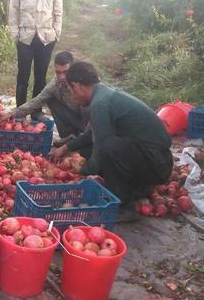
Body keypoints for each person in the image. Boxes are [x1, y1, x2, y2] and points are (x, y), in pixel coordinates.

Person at [51, 62, 173, 207]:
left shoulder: (99, 104)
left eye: (71, 91)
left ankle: (122, 206)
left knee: (108, 147)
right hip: (154, 159)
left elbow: (101, 145)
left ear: (77, 86)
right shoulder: (103, 94)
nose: (72, 97)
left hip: (157, 165)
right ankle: (138, 189)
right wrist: (66, 148)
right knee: (88, 149)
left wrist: (85, 170)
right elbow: (93, 133)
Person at [8, 0, 63, 120]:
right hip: (25, 37)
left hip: (46, 37)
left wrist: (57, 32)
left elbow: (58, 10)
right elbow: (13, 10)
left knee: (40, 76)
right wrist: (15, 35)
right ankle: (19, 112)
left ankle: (37, 111)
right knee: (23, 76)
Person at [0, 51, 88, 145]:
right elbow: (37, 101)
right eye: (58, 72)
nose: (62, 77)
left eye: (65, 72)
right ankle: (69, 136)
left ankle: (83, 138)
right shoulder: (55, 84)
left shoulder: (83, 81)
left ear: (73, 69)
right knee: (51, 99)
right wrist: (12, 113)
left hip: (89, 122)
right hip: (73, 116)